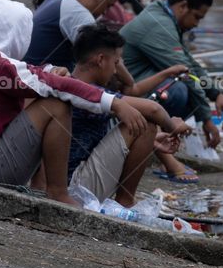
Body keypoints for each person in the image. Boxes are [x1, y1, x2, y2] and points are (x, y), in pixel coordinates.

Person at [0, 0, 146, 207]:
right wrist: (114, 103)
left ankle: (44, 186)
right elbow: (54, 86)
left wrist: (51, 72)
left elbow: (33, 75)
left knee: (44, 93)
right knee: (55, 106)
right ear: (14, 33)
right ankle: (57, 192)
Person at [68, 24, 192, 206]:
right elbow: (153, 110)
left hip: (74, 178)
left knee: (143, 127)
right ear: (101, 60)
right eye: (116, 63)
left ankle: (125, 199)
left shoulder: (71, 83)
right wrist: (174, 127)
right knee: (147, 122)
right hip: (76, 187)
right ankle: (125, 200)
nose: (116, 71)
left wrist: (152, 141)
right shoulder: (89, 91)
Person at [121, 0, 223, 180]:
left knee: (186, 92)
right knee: (179, 91)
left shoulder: (165, 18)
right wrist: (206, 119)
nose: (197, 24)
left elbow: (190, 64)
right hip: (125, 93)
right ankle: (160, 153)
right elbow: (186, 76)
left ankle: (160, 144)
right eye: (197, 17)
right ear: (182, 7)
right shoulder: (159, 24)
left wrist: (216, 93)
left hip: (138, 85)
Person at [23, 0, 123, 70]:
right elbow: (104, 58)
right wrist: (131, 83)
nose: (105, 12)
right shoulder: (78, 12)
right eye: (108, 5)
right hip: (39, 80)